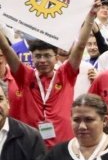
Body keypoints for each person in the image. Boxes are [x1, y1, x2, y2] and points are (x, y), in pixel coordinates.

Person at [0, 8, 93, 147]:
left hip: (63, 145)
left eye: (47, 56)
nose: (42, 60)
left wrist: (91, 16)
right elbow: (6, 49)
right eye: (38, 56)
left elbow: (80, 46)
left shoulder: (65, 74)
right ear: (32, 58)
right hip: (31, 146)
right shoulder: (25, 76)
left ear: (56, 58)